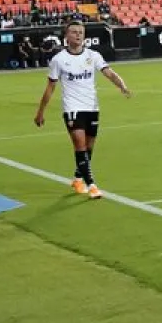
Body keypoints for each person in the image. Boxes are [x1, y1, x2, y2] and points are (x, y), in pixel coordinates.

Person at [33, 22, 131, 199]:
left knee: (89, 147)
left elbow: (108, 73)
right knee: (80, 145)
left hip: (92, 107)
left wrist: (121, 85)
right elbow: (50, 87)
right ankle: (92, 185)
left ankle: (78, 178)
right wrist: (41, 112)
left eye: (81, 32)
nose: (78, 35)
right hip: (72, 108)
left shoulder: (93, 56)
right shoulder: (59, 60)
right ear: (67, 36)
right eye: (74, 32)